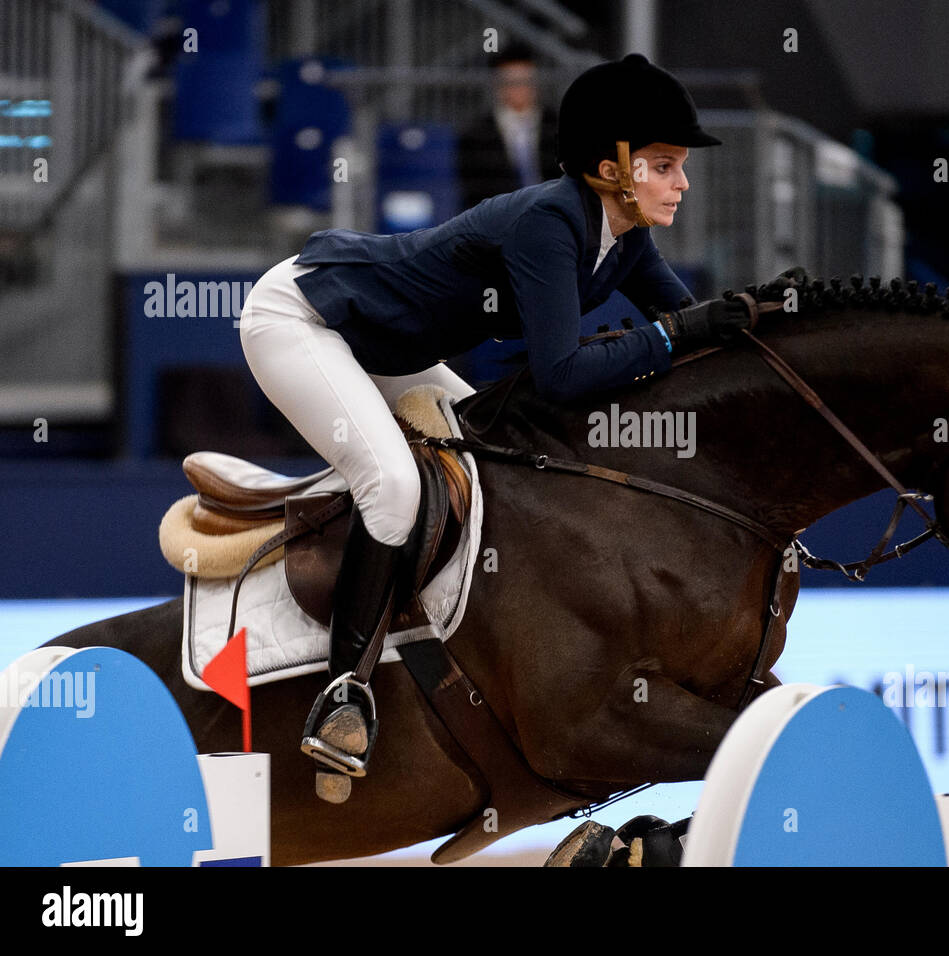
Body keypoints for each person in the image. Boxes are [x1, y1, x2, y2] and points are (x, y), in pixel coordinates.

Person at [236, 52, 752, 798]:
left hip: (389, 347)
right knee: (395, 489)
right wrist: (681, 334)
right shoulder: (549, 221)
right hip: (305, 319)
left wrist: (763, 319)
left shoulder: (622, 237)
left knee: (493, 464)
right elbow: (565, 373)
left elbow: (684, 328)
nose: (683, 182)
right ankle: (342, 696)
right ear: (613, 168)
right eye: (665, 165)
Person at [457, 40, 562, 210]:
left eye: (525, 81)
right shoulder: (476, 133)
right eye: (512, 82)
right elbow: (473, 192)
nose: (520, 89)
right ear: (498, 85)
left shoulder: (558, 125)